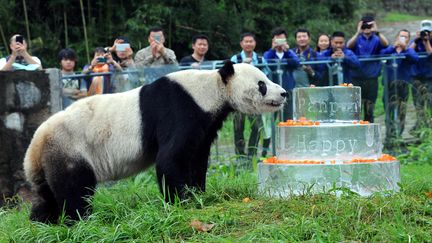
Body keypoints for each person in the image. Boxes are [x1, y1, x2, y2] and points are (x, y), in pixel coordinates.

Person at [230, 32, 267, 159]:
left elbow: (267, 76)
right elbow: (230, 77)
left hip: (255, 99)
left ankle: (252, 154)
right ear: (241, 43)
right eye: (246, 41)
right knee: (238, 128)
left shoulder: (261, 60)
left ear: (255, 43)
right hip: (238, 98)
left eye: (251, 41)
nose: (248, 44)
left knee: (257, 127)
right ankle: (240, 156)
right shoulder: (235, 59)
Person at [380, 29, 419, 147]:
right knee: (389, 111)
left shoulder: (409, 51)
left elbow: (415, 59)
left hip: (403, 86)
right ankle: (389, 136)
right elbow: (381, 55)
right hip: (389, 85)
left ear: (408, 39)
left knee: (402, 111)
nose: (403, 38)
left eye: (406, 37)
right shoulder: (389, 50)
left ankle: (399, 135)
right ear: (397, 37)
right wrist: (393, 47)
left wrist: (405, 48)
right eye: (401, 36)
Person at [347, 15, 389, 122]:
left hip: (371, 79)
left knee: (369, 109)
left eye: (369, 25)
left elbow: (386, 44)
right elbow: (348, 46)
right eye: (365, 25)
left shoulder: (376, 39)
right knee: (355, 109)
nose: (367, 28)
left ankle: (369, 134)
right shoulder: (357, 39)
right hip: (356, 79)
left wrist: (377, 31)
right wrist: (358, 32)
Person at [263, 27, 300, 120]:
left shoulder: (290, 53)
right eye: (277, 39)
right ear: (273, 40)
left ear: (286, 40)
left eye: (282, 39)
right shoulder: (268, 53)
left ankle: (287, 134)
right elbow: (266, 64)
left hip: (287, 89)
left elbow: (297, 64)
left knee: (288, 117)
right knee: (270, 118)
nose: (279, 42)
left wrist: (287, 51)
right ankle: (271, 135)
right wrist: (272, 49)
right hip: (271, 90)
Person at [409, 20, 432, 131]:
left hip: (429, 78)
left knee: (430, 103)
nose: (425, 34)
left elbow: (430, 53)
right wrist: (417, 40)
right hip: (416, 78)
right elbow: (408, 51)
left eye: (428, 32)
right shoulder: (416, 42)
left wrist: (427, 41)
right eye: (424, 32)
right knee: (418, 104)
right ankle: (421, 128)